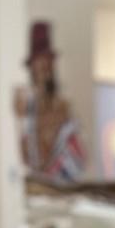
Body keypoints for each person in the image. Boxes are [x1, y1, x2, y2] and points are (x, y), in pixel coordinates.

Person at [15, 20, 87, 181]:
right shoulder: (29, 110)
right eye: (37, 64)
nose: (42, 70)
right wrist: (21, 119)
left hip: (62, 184)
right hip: (40, 186)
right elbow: (25, 156)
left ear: (51, 66)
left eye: (45, 63)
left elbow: (77, 156)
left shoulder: (62, 106)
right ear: (32, 68)